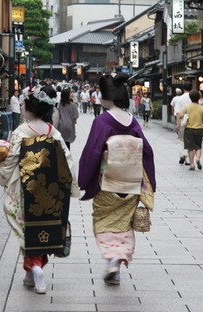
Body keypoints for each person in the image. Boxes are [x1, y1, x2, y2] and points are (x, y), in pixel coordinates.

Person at [0, 85, 80, 295]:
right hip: (51, 192)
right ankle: (31, 274)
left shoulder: (21, 132)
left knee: (27, 230)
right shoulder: (53, 132)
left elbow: (10, 162)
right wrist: (69, 187)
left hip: (26, 191)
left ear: (29, 107)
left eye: (24, 103)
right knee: (46, 228)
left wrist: (2, 168)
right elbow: (68, 162)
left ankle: (35, 269)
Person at [78, 72, 156, 285]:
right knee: (124, 223)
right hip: (130, 185)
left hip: (107, 183)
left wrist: (84, 180)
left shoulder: (102, 121)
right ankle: (118, 261)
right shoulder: (133, 121)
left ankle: (112, 259)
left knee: (104, 220)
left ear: (104, 98)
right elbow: (147, 151)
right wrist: (149, 181)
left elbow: (93, 152)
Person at [177, 90, 203, 170]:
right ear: (198, 98)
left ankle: (192, 164)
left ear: (190, 98)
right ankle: (197, 158)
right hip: (199, 129)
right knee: (198, 146)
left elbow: (181, 115)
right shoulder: (201, 108)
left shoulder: (186, 106)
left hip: (189, 129)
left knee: (190, 147)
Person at [174, 82, 192, 165]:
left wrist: (177, 123)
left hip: (182, 120)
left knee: (181, 139)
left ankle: (182, 155)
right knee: (190, 140)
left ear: (183, 89)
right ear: (191, 88)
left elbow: (178, 112)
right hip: (192, 120)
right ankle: (188, 159)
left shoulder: (180, 99)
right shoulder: (193, 97)